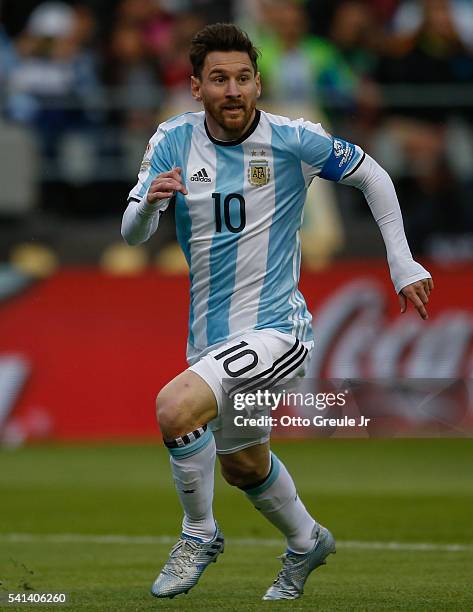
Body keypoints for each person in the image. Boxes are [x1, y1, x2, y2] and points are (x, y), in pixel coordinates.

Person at [121, 23, 433, 601]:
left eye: (243, 78)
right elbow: (133, 231)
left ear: (258, 83)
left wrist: (403, 263)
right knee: (242, 466)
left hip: (278, 330)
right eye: (219, 79)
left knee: (173, 408)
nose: (233, 90)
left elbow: (371, 172)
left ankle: (199, 533)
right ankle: (306, 539)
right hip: (210, 340)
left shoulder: (294, 138)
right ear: (196, 87)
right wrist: (149, 207)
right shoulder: (171, 140)